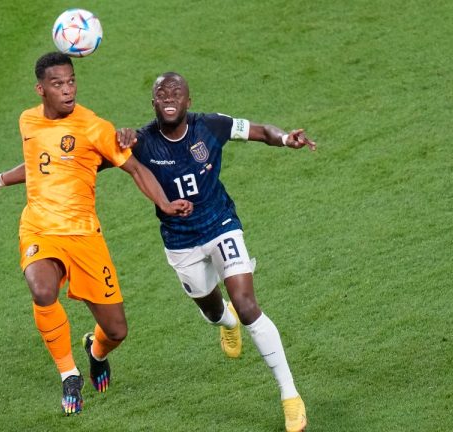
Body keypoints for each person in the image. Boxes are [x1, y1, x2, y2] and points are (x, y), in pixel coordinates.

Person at [0, 53, 193, 416]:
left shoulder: (93, 127)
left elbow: (136, 169)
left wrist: (167, 202)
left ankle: (94, 351)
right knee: (42, 289)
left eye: (72, 82)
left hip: (84, 236)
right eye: (58, 84)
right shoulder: (27, 120)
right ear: (41, 89)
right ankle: (69, 374)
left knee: (117, 330)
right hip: (40, 228)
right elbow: (37, 165)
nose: (68, 90)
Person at [116, 72, 315, 432]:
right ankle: (225, 323)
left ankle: (290, 395)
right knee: (212, 308)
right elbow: (93, 156)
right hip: (180, 241)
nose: (169, 95)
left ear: (189, 101)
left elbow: (259, 131)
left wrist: (286, 138)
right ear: (154, 103)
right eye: (161, 92)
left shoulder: (210, 126)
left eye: (177, 91)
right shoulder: (141, 142)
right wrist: (114, 137)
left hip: (220, 223)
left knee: (247, 303)